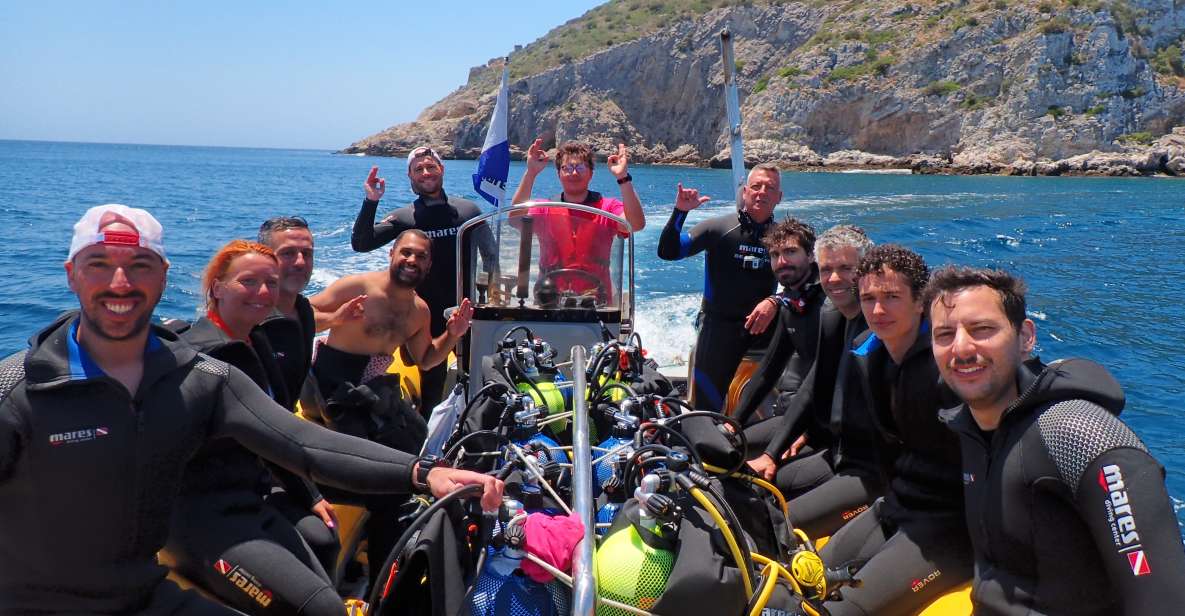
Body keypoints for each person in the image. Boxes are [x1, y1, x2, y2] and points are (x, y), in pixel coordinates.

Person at [0, 204, 502, 615]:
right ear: (70, 274)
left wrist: (424, 473)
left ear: (162, 276)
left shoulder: (199, 376)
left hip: (145, 590)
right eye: (99, 264)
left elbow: (301, 442)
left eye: (139, 266)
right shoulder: (20, 385)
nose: (120, 283)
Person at [927, 266, 1185, 614]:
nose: (961, 347)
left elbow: (1162, 602)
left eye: (982, 329)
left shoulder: (1081, 436)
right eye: (944, 334)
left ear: (1025, 337)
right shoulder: (968, 428)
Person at [163, 239, 346, 616]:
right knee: (323, 608)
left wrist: (309, 494)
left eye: (271, 283)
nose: (264, 293)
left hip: (250, 493)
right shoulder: (196, 356)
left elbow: (274, 429)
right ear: (216, 288)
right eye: (248, 282)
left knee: (323, 541)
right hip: (200, 516)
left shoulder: (257, 340)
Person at [309, 228, 474, 589]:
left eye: (420, 256)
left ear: (429, 264)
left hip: (372, 386)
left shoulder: (419, 310)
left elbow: (426, 358)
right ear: (392, 254)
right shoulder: (358, 287)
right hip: (331, 384)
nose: (412, 261)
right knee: (366, 464)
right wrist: (336, 318)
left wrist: (454, 334)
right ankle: (361, 529)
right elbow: (302, 315)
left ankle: (387, 554)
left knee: (415, 434)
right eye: (406, 253)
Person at [814, 244, 971, 616]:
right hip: (898, 504)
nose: (877, 310)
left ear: (922, 302)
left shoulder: (950, 368)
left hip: (950, 528)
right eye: (868, 298)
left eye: (891, 297)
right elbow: (887, 448)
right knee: (805, 578)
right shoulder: (870, 355)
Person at [740, 227, 885, 538]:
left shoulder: (883, 329)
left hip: (874, 472)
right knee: (749, 490)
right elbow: (813, 386)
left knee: (769, 528)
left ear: (867, 270)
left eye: (846, 269)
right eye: (828, 269)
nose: (833, 279)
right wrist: (772, 453)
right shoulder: (833, 316)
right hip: (837, 452)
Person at [350, 148, 496, 413]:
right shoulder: (404, 218)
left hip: (465, 312)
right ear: (410, 176)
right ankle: (427, 446)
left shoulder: (468, 210)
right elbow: (361, 244)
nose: (426, 172)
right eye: (419, 169)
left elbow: (492, 257)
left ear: (442, 169)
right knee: (431, 389)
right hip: (423, 318)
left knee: (480, 382)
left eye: (431, 166)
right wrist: (371, 201)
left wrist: (489, 296)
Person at [656, 165, 782, 411]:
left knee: (755, 411)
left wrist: (775, 301)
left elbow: (808, 282)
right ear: (745, 192)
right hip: (717, 332)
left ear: (779, 197)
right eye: (756, 186)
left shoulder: (785, 238)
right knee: (706, 410)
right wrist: (680, 212)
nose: (762, 192)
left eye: (770, 188)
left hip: (762, 336)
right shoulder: (718, 229)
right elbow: (668, 252)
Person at [509, 139, 644, 303]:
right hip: (549, 303)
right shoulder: (544, 208)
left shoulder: (608, 208)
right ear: (559, 174)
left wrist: (623, 177)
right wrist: (531, 173)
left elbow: (636, 224)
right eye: (567, 168)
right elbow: (515, 219)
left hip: (597, 305)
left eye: (580, 167)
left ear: (591, 174)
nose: (574, 173)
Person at [730, 218, 822, 452]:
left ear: (811, 255)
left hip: (818, 422)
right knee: (725, 443)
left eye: (791, 252)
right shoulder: (791, 303)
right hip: (790, 413)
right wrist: (733, 423)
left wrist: (776, 449)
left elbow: (826, 378)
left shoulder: (826, 303)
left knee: (736, 453)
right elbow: (768, 370)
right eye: (774, 255)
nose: (781, 262)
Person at [257, 215, 318, 410]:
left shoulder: (303, 310)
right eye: (288, 253)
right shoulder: (251, 321)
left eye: (307, 254)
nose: (300, 262)